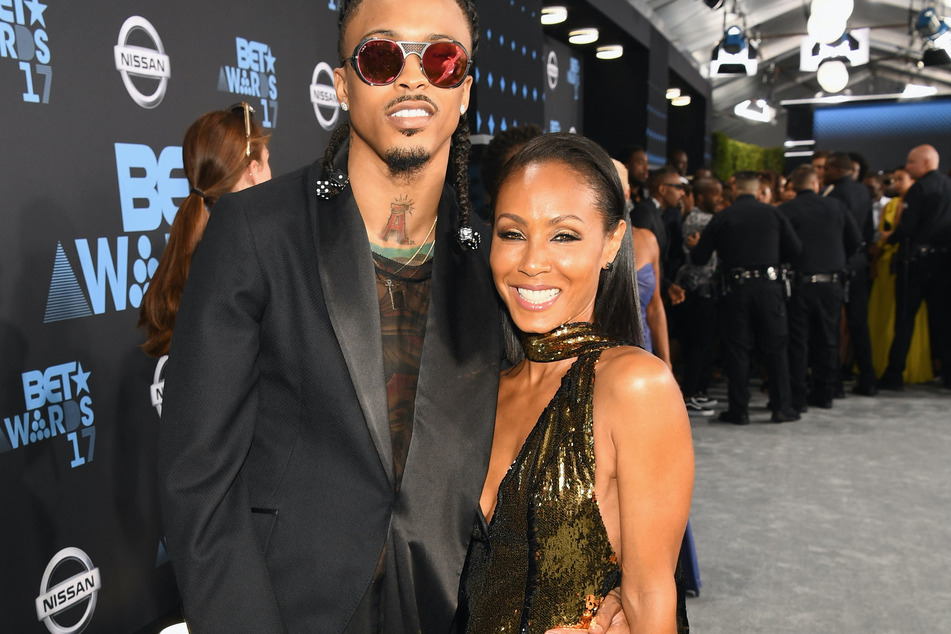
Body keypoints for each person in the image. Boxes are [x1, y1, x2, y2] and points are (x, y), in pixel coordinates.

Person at [157, 1, 627, 631]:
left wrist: (589, 601)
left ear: (464, 89)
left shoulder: (498, 263)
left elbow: (546, 448)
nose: (412, 78)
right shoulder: (254, 232)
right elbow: (199, 478)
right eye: (381, 57)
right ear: (343, 84)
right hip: (288, 609)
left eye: (440, 58)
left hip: (453, 609)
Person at [459, 132, 692, 633]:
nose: (531, 262)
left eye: (563, 235)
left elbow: (651, 593)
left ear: (611, 243)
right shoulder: (480, 388)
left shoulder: (633, 386)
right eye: (512, 233)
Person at [139, 103, 271, 359]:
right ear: (253, 171)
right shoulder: (251, 262)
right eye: (267, 161)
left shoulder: (199, 253)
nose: (271, 174)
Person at [692, 171, 802, 424]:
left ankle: (739, 410)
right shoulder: (774, 214)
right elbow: (795, 249)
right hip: (769, 287)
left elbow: (700, 257)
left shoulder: (723, 216)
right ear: (757, 189)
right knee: (776, 347)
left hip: (735, 289)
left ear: (734, 189)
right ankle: (782, 407)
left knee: (737, 350)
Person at [779, 165, 861, 411]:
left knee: (798, 341)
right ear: (817, 185)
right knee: (828, 339)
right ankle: (825, 393)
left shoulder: (786, 210)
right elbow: (855, 240)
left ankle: (798, 397)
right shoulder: (836, 206)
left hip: (799, 284)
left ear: (793, 186)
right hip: (831, 282)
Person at [879, 144, 951, 390]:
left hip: (916, 262)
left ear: (927, 162)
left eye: (911, 162)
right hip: (944, 262)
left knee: (905, 319)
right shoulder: (948, 186)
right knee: (943, 320)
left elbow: (907, 228)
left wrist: (890, 238)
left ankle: (894, 374)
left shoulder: (919, 189)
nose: (908, 166)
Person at [867, 167, 933, 383]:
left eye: (901, 179)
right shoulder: (890, 205)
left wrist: (889, 237)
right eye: (894, 179)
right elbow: (879, 238)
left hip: (908, 267)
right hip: (886, 267)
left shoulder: (920, 208)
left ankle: (908, 367)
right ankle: (880, 363)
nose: (896, 183)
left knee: (903, 317)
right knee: (884, 316)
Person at [823, 151, 878, 396]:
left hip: (838, 265)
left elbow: (836, 233)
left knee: (833, 326)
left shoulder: (834, 194)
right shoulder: (863, 191)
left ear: (836, 169)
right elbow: (867, 231)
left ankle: (834, 384)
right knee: (859, 324)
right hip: (859, 263)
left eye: (826, 168)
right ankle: (868, 378)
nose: (823, 173)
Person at [676, 178, 723, 416]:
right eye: (715, 195)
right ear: (703, 196)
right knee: (698, 345)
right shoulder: (699, 220)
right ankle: (691, 393)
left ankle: (699, 392)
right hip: (697, 290)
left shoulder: (709, 220)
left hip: (706, 290)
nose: (719, 199)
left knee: (704, 345)